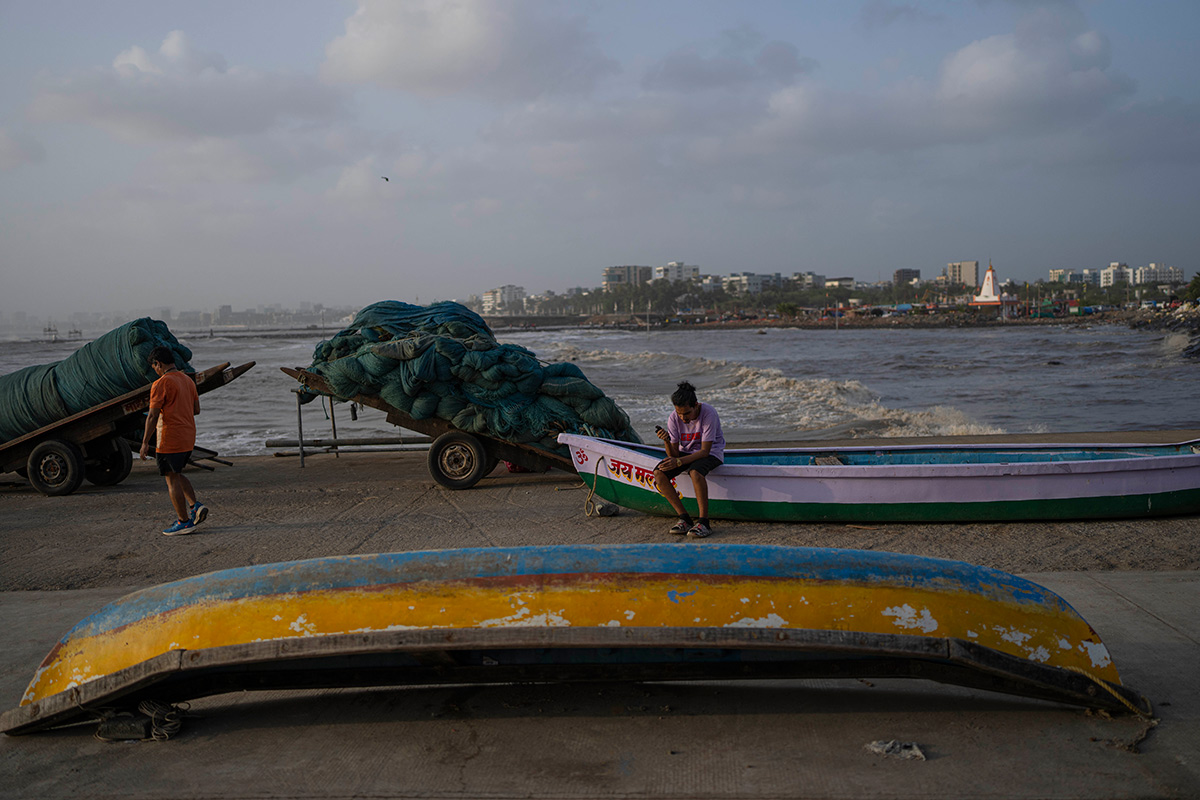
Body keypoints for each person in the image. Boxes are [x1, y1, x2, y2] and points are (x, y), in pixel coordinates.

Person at [139, 346, 208, 535]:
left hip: (169, 437)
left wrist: (145, 443)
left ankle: (184, 521)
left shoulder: (161, 384)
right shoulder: (188, 380)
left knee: (170, 478)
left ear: (158, 364)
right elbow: (196, 410)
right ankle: (195, 507)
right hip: (187, 436)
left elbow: (152, 416)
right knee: (176, 473)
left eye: (154, 367)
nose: (155, 371)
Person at [653, 381, 724, 539]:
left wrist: (678, 462)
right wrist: (666, 440)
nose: (683, 418)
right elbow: (674, 455)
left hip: (711, 453)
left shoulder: (708, 413)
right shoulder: (674, 418)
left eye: (686, 413)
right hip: (685, 454)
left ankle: (704, 522)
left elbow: (705, 451)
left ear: (696, 406)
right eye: (679, 413)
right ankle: (684, 518)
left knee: (695, 472)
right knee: (659, 473)